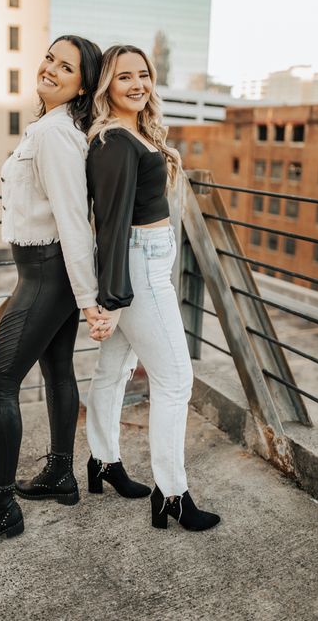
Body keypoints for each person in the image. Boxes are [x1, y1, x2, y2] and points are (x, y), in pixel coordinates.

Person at [0, 35, 110, 548]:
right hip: (46, 271)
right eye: (49, 58)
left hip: (47, 273)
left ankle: (1, 507)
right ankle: (61, 472)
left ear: (83, 84)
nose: (51, 69)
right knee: (56, 367)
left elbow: (73, 220)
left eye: (66, 66)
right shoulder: (48, 127)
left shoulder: (55, 135)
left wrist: (87, 299)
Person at [85, 45, 221, 531]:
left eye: (144, 75)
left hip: (148, 261)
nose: (138, 84)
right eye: (125, 77)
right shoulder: (115, 142)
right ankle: (172, 493)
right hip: (138, 267)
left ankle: (102, 461)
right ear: (107, 85)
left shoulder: (135, 133)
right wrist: (115, 300)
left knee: (115, 368)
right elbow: (112, 225)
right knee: (175, 380)